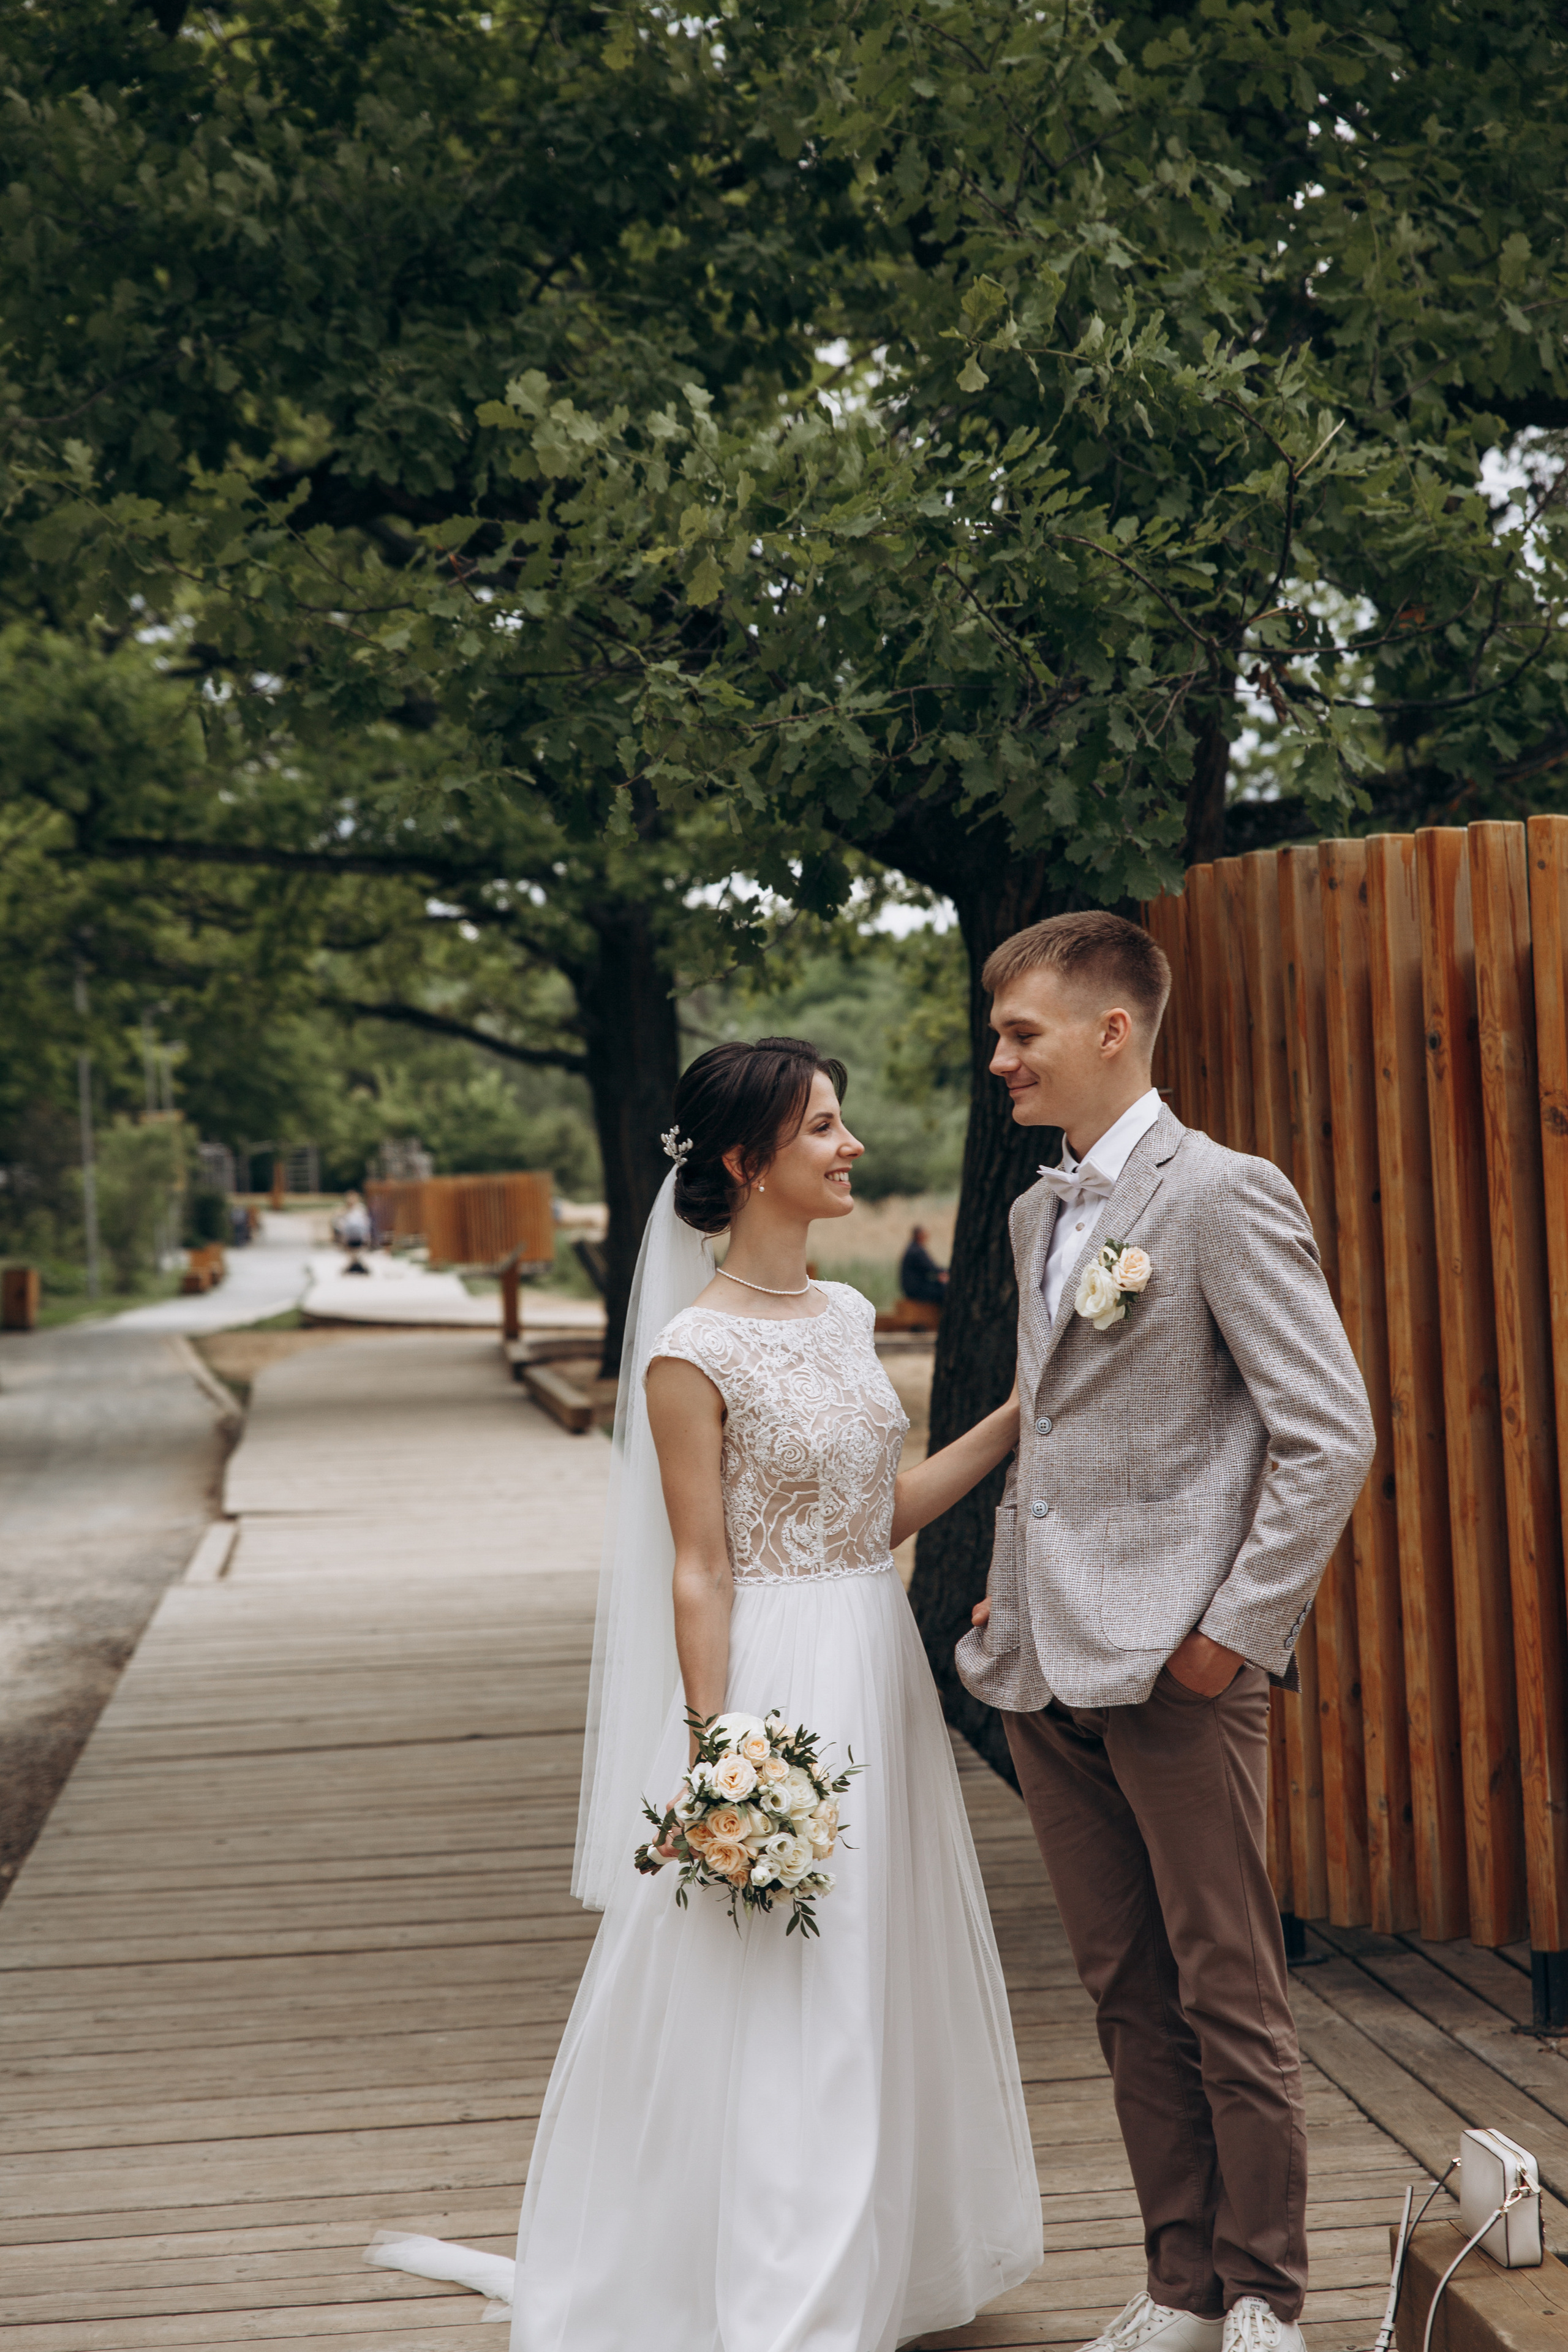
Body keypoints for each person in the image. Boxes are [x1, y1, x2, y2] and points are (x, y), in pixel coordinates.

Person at [368, 1035, 1042, 2348]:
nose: (849, 1147)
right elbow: (698, 1567)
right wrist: (717, 1750)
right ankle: (787, 2306)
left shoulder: (847, 1318)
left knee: (873, 1967)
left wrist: (1016, 1414)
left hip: (874, 1657)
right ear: (748, 1164)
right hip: (778, 1683)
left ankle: (866, 2264)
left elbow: (875, 1516)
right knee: (798, 1981)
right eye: (824, 1129)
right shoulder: (690, 1352)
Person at [956, 911, 1375, 2352]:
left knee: (1225, 1983)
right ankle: (1176, 2283)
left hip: (1177, 1667)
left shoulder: (1222, 1194)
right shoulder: (1033, 1214)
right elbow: (1053, 1431)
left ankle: (1263, 2293)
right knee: (1123, 1986)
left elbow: (1325, 1434)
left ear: (1109, 1029)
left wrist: (1231, 1633)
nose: (996, 1054)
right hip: (1039, 1661)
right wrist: (1008, 1580)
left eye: (1019, 1031)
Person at [898, 1223, 948, 1307]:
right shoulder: (917, 1251)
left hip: (912, 1288)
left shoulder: (913, 1248)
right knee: (944, 1291)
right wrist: (946, 1273)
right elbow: (931, 1268)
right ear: (919, 1235)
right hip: (917, 1290)